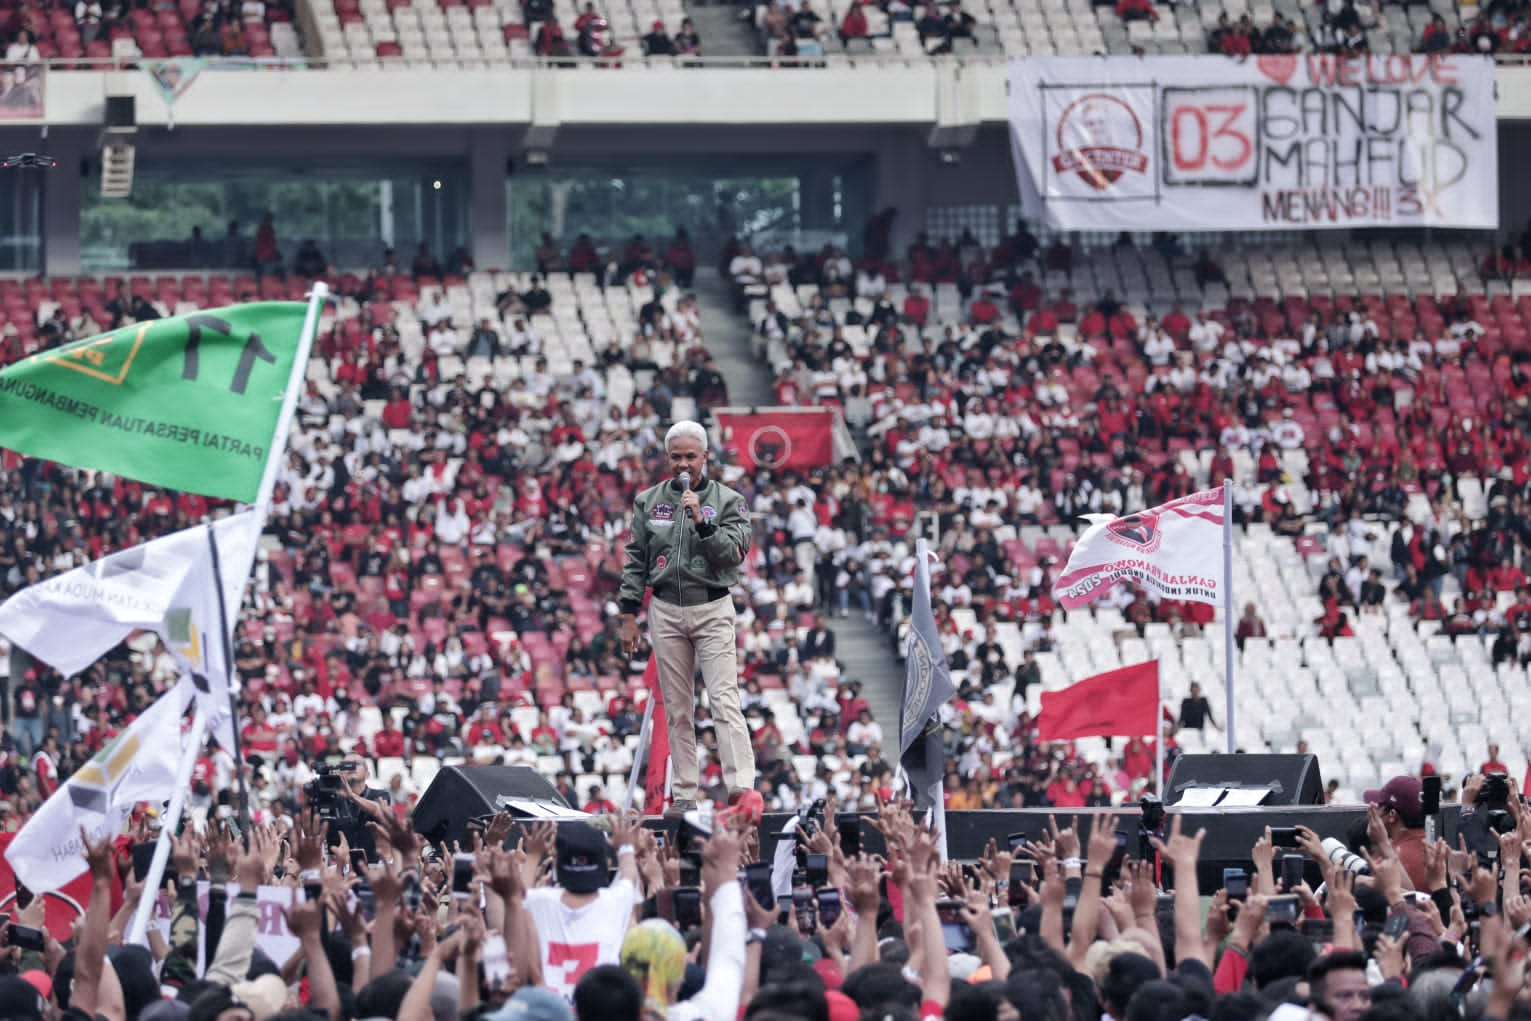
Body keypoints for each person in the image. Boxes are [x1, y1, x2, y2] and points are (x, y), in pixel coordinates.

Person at [619, 421, 755, 816]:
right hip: (664, 610)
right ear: (667, 458)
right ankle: (683, 794)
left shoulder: (728, 501)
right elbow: (635, 560)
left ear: (705, 457)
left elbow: (733, 553)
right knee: (678, 708)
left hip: (712, 608)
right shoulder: (648, 501)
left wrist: (702, 521)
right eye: (676, 456)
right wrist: (628, 614)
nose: (683, 464)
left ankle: (740, 785)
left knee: (723, 699)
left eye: (690, 456)